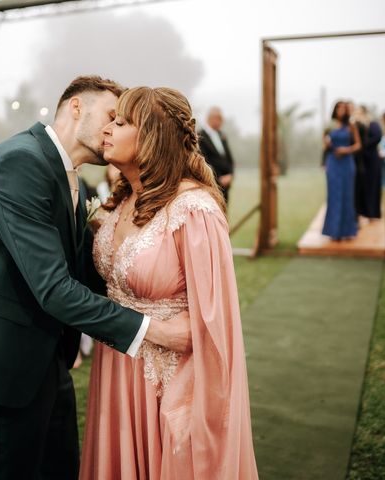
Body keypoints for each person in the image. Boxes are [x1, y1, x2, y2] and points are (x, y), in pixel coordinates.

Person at [0, 75, 191, 480]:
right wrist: (157, 331)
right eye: (110, 115)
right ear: (77, 108)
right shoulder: (20, 162)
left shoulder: (64, 171)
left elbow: (81, 270)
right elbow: (54, 288)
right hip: (6, 360)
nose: (113, 128)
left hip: (46, 357)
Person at [80, 87, 258, 479]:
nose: (107, 128)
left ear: (153, 136)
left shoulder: (193, 210)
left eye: (121, 122)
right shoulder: (122, 201)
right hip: (116, 372)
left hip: (169, 382)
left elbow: (215, 325)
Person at [322, 101, 361, 240]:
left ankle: (348, 230)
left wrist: (346, 149)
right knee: (333, 196)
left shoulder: (351, 125)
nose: (341, 110)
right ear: (334, 109)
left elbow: (358, 145)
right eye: (338, 108)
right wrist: (327, 143)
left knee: (347, 196)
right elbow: (324, 144)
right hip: (333, 163)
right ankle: (333, 231)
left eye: (343, 108)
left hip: (347, 163)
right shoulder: (330, 125)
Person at [198, 106, 235, 203]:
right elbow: (204, 161)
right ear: (209, 118)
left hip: (226, 187)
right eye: (218, 119)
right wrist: (218, 179)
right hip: (211, 186)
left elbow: (229, 158)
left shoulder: (222, 135)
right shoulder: (200, 136)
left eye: (221, 119)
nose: (221, 122)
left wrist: (230, 175)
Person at [355, 106, 383, 219]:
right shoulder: (357, 126)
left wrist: (364, 144)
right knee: (364, 187)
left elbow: (378, 137)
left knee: (373, 186)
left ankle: (373, 213)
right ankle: (364, 212)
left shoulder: (373, 125)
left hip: (372, 160)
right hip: (362, 160)